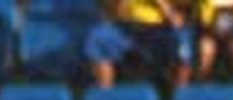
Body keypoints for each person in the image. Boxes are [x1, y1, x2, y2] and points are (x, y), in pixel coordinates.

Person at [85, 0, 214, 92]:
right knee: (100, 38)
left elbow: (188, 15)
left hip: (166, 28)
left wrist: (166, 7)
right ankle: (106, 97)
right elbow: (113, 8)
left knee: (183, 46)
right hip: (130, 27)